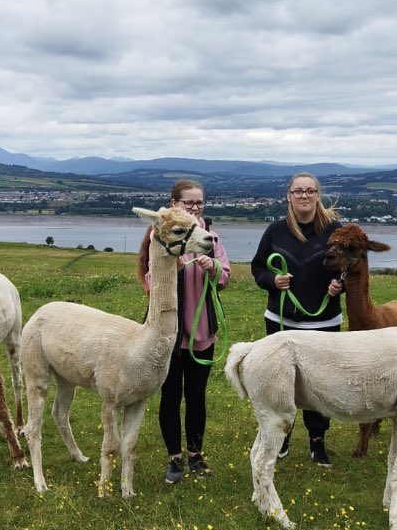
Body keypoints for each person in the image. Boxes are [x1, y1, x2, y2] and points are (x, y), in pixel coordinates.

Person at [136, 180, 231, 485]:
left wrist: (213, 267)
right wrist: (172, 266)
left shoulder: (211, 237)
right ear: (174, 204)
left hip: (201, 330)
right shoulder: (162, 235)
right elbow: (151, 279)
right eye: (188, 203)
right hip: (169, 335)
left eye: (198, 203)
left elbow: (225, 277)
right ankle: (174, 458)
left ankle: (195, 454)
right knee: (170, 395)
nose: (194, 208)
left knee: (196, 396)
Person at [250, 172, 343, 467]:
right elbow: (257, 268)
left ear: (318, 195)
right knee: (281, 384)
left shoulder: (334, 231)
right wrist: (272, 280)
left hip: (323, 322)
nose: (304, 196)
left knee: (321, 386)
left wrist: (340, 285)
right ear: (289, 196)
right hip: (281, 322)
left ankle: (318, 441)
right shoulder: (275, 231)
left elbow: (351, 269)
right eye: (298, 191)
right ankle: (283, 437)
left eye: (310, 191)